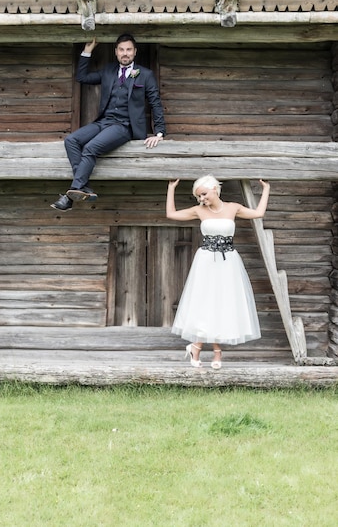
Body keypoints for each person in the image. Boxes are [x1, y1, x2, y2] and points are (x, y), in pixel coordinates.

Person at [51, 33, 166, 211]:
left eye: (128, 49)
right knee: (71, 141)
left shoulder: (145, 75)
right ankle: (82, 186)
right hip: (104, 121)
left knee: (90, 148)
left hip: (124, 126)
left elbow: (155, 103)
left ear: (135, 52)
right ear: (116, 52)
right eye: (121, 50)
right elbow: (82, 77)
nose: (125, 53)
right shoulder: (108, 70)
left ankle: (71, 195)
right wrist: (87, 51)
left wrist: (159, 133)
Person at [166, 175, 270, 369]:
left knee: (222, 304)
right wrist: (171, 188)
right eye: (199, 196)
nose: (202, 199)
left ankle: (197, 348)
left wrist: (266, 189)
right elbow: (171, 214)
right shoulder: (199, 210)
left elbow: (258, 212)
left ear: (214, 188)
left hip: (228, 261)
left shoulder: (233, 207)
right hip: (206, 261)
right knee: (206, 304)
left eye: (204, 194)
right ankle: (214, 352)